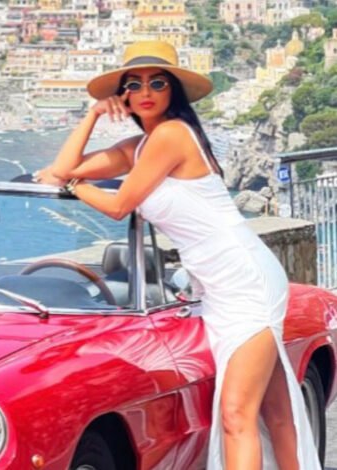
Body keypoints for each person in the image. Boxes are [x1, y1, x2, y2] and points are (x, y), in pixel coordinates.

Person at [34, 40, 320, 470]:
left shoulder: (172, 135)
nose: (145, 91)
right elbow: (62, 168)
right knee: (277, 412)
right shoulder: (139, 146)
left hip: (244, 281)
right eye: (134, 84)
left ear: (174, 90)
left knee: (236, 416)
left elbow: (118, 204)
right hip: (220, 286)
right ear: (123, 95)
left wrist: (75, 187)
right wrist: (92, 115)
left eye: (158, 82)